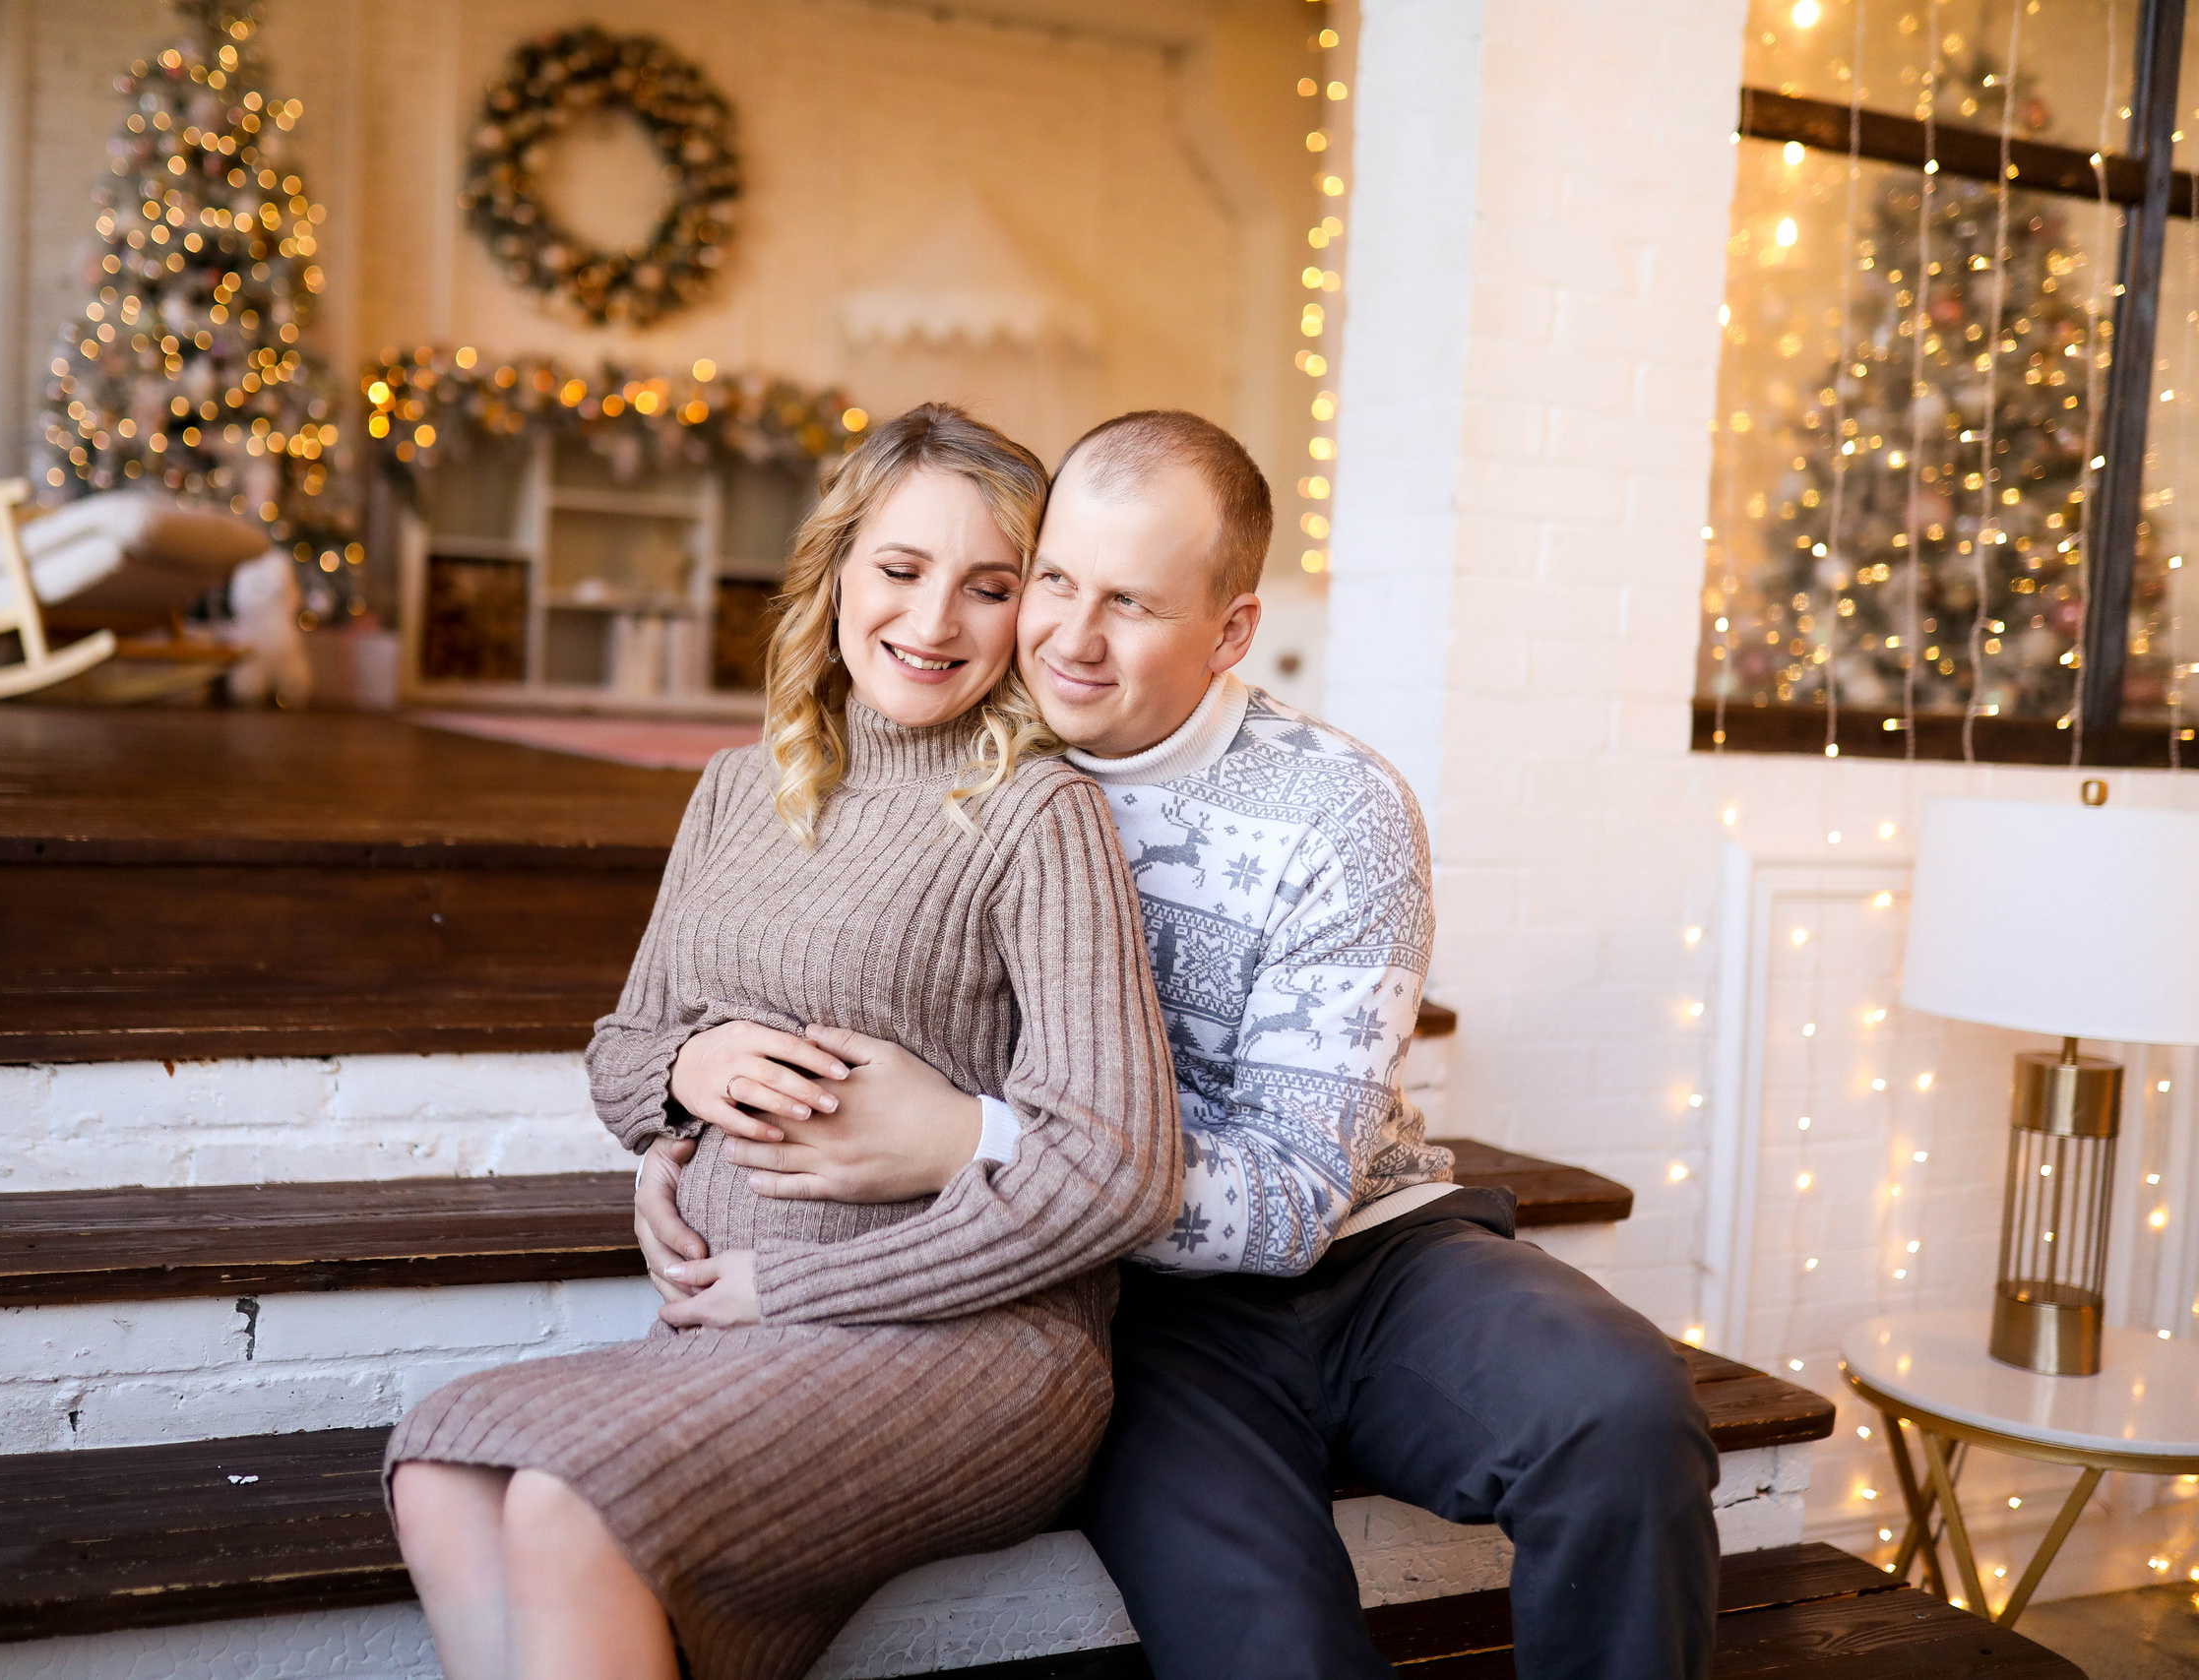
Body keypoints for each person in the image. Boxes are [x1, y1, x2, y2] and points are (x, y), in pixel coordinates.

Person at [639, 410, 1720, 1680]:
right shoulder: (947, 756)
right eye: (1052, 583)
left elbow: (1295, 1198)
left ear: (1232, 630)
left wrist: (964, 1140)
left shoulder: (1335, 807)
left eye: (1134, 605)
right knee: (1263, 1637)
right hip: (1120, 1307)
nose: (1070, 640)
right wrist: (689, 1118)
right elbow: (746, 984)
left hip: (1372, 1252)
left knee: (1624, 1414)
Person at [385, 404, 1182, 1680]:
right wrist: (688, 1084)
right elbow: (625, 1052)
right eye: (903, 571)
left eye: (989, 587)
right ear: (836, 572)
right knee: (442, 1459)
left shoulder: (1041, 815)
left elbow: (1121, 1169)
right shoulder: (737, 789)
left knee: (564, 1502)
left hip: (972, 1338)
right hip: (744, 1323)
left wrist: (793, 1289)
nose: (933, 625)